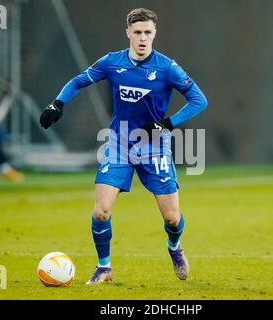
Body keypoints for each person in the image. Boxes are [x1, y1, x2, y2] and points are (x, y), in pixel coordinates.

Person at [40, 8, 208, 284]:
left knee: (173, 220)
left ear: (154, 34)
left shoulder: (167, 68)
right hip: (119, 144)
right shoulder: (112, 62)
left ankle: (174, 247)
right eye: (138, 32)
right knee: (101, 211)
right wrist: (57, 103)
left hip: (154, 147)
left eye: (148, 33)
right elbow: (78, 81)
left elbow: (199, 99)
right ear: (128, 33)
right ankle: (104, 267)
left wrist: (167, 123)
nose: (143, 38)